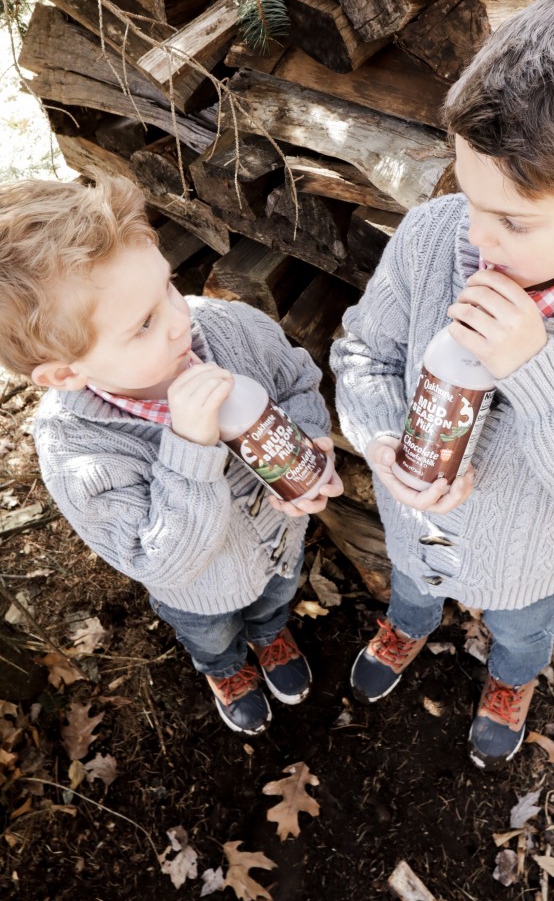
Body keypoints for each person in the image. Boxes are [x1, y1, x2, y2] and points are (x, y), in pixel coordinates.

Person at [330, 0, 554, 771]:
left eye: (515, 222)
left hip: (531, 559)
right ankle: (408, 625)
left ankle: (510, 679)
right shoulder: (431, 237)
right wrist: (381, 434)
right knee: (413, 586)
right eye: (468, 193)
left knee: (522, 627)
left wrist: (532, 368)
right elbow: (363, 353)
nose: (479, 237)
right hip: (413, 524)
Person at [0, 173, 342, 736]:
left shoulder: (229, 328)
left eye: (168, 288)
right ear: (66, 373)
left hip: (280, 546)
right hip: (200, 592)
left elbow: (295, 383)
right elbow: (160, 560)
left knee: (274, 598)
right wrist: (189, 448)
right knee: (211, 633)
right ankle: (225, 668)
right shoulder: (78, 451)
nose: (181, 320)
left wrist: (309, 438)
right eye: (144, 325)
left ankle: (270, 634)